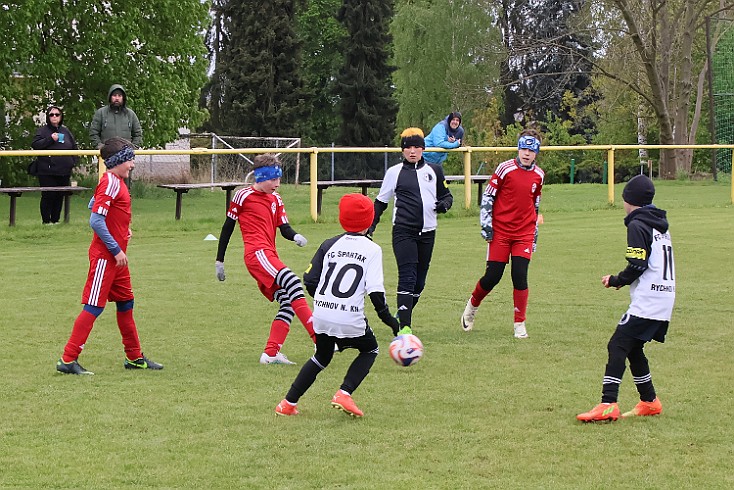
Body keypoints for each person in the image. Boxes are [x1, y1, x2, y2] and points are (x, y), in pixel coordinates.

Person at [275, 193, 400, 418]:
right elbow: (376, 294)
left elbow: (310, 280)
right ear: (370, 221)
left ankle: (287, 403)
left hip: (321, 315)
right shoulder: (372, 249)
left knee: (321, 357)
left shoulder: (329, 244)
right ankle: (344, 393)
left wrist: (325, 302)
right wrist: (391, 321)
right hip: (349, 317)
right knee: (370, 349)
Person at [56, 137, 163, 375]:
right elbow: (95, 219)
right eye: (130, 160)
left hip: (117, 260)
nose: (132, 165)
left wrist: (123, 228)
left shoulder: (114, 181)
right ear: (118, 161)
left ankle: (134, 358)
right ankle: (68, 359)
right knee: (93, 306)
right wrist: (115, 248)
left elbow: (95, 205)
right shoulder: (111, 183)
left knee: (126, 303)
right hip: (107, 258)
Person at [577, 175, 675, 422]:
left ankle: (608, 403)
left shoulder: (637, 225)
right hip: (664, 296)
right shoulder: (658, 224)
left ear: (628, 200)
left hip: (649, 299)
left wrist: (616, 279)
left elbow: (637, 264)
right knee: (633, 346)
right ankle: (649, 401)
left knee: (618, 344)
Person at [215, 154, 316, 365]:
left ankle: (270, 354)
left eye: (279, 179)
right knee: (294, 283)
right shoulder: (242, 195)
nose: (277, 184)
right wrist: (220, 261)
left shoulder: (276, 199)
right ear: (260, 177)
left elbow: (284, 228)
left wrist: (295, 236)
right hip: (256, 254)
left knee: (288, 302)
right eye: (273, 179)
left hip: (269, 255)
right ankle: (319, 339)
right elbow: (227, 228)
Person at [460, 129, 545, 339]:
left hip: (523, 233)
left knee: (519, 275)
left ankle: (519, 324)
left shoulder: (539, 175)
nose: (526, 153)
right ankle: (471, 307)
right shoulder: (505, 168)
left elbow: (535, 205)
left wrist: (534, 235)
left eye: (531, 150)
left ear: (536, 152)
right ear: (518, 148)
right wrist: (486, 224)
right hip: (501, 232)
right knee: (493, 276)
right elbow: (488, 196)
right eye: (523, 148)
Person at [369, 127, 453, 336]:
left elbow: (447, 196)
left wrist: (444, 205)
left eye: (416, 147)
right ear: (403, 150)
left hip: (428, 232)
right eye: (408, 148)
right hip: (403, 232)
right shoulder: (394, 173)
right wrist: (370, 227)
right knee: (407, 277)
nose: (412, 151)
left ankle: (401, 315)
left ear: (423, 149)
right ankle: (404, 328)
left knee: (420, 281)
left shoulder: (435, 170)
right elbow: (380, 202)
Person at [31, 106, 79, 224]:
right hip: (47, 171)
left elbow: (74, 148)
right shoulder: (43, 131)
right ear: (48, 117)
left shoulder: (65, 131)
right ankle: (46, 222)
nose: (54, 117)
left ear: (61, 117)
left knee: (59, 196)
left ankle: (56, 220)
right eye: (51, 115)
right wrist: (50, 139)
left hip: (64, 171)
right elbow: (35, 145)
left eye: (57, 115)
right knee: (48, 195)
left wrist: (72, 162)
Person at [89, 84, 143, 149]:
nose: (117, 98)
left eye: (119, 96)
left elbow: (138, 134)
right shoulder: (101, 113)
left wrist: (132, 148)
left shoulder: (130, 114)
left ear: (123, 98)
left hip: (126, 155)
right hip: (106, 155)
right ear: (110, 97)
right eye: (114, 95)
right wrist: (100, 147)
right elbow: (93, 133)